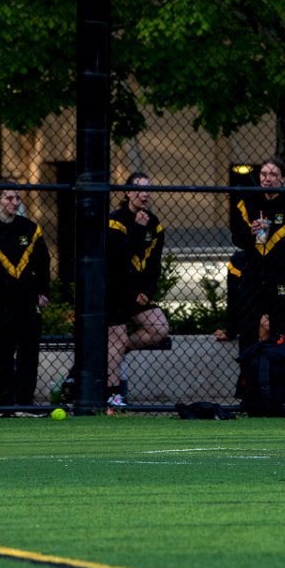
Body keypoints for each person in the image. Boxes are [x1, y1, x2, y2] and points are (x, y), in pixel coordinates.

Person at [230, 157, 285, 387]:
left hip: (281, 277)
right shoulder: (247, 201)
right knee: (248, 329)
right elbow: (237, 238)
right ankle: (248, 384)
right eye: (264, 174)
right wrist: (250, 231)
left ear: (282, 179)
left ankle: (283, 384)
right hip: (252, 277)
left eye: (273, 175)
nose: (267, 179)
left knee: (281, 331)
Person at [0, 185, 51, 413]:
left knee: (28, 354)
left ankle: (25, 402)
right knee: (2, 355)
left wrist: (43, 291)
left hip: (26, 303)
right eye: (9, 198)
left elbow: (43, 263)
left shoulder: (30, 229)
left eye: (17, 198)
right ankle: (6, 404)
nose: (15, 202)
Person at [106, 172, 170, 408]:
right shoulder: (116, 220)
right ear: (128, 193)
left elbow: (154, 264)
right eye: (139, 189)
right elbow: (119, 257)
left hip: (137, 293)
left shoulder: (154, 224)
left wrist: (147, 291)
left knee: (159, 327)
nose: (145, 194)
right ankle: (113, 395)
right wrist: (137, 228)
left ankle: (114, 355)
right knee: (117, 337)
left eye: (148, 189)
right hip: (114, 290)